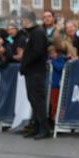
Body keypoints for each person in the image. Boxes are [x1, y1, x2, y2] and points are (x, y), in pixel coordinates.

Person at [19, 10, 50, 140]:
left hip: (36, 71)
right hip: (31, 71)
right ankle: (37, 127)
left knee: (38, 101)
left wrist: (25, 62)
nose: (22, 22)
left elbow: (37, 52)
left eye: (23, 20)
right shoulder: (31, 33)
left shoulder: (37, 33)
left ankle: (44, 129)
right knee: (33, 100)